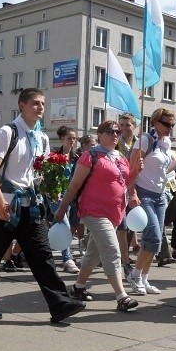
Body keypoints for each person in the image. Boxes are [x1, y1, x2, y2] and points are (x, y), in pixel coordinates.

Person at [0, 88, 85, 323]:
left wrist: (51, 190)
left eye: (43, 104)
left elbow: (39, 172)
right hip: (6, 205)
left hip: (31, 205)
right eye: (35, 103)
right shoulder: (8, 132)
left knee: (42, 255)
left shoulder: (42, 137)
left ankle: (60, 304)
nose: (40, 108)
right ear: (22, 105)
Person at [54, 120, 141, 311]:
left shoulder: (120, 157)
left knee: (93, 253)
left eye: (117, 131)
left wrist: (136, 171)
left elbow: (126, 183)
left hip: (115, 212)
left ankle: (78, 287)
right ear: (100, 134)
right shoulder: (90, 156)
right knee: (112, 249)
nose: (115, 134)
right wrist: (61, 209)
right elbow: (75, 185)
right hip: (93, 211)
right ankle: (121, 296)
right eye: (110, 131)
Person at [127, 108, 176, 295]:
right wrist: (132, 192)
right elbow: (132, 168)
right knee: (152, 235)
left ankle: (143, 278)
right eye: (166, 124)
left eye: (172, 125)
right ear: (155, 122)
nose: (170, 128)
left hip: (160, 195)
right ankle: (135, 275)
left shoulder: (165, 143)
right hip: (144, 193)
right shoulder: (146, 139)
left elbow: (164, 170)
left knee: (156, 240)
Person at [52, 125, 80, 273]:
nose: (72, 141)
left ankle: (19, 251)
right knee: (65, 225)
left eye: (74, 138)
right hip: (55, 195)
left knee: (55, 225)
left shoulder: (76, 158)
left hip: (69, 196)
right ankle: (67, 259)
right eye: (69, 138)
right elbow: (47, 176)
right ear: (62, 138)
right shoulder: (54, 156)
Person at [116, 113, 138, 276]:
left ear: (134, 126)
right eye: (121, 125)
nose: (123, 128)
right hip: (118, 189)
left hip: (137, 189)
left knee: (131, 227)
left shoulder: (140, 144)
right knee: (122, 227)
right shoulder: (115, 143)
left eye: (127, 125)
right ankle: (125, 261)